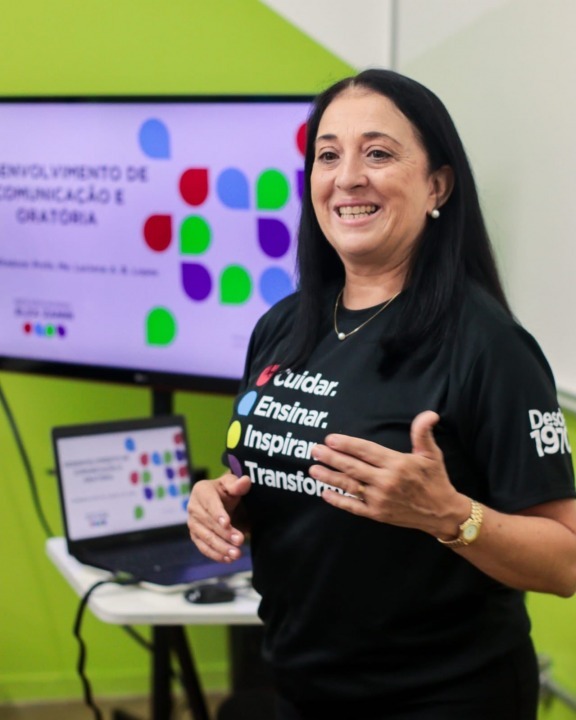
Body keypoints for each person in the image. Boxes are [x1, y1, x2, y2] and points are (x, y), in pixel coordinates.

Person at [187, 68, 576, 720]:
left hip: (441, 698)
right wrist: (224, 504)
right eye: (328, 155)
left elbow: (565, 562)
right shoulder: (283, 326)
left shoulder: (489, 345)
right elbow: (288, 491)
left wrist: (448, 514)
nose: (347, 178)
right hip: (302, 685)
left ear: (437, 186)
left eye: (378, 154)